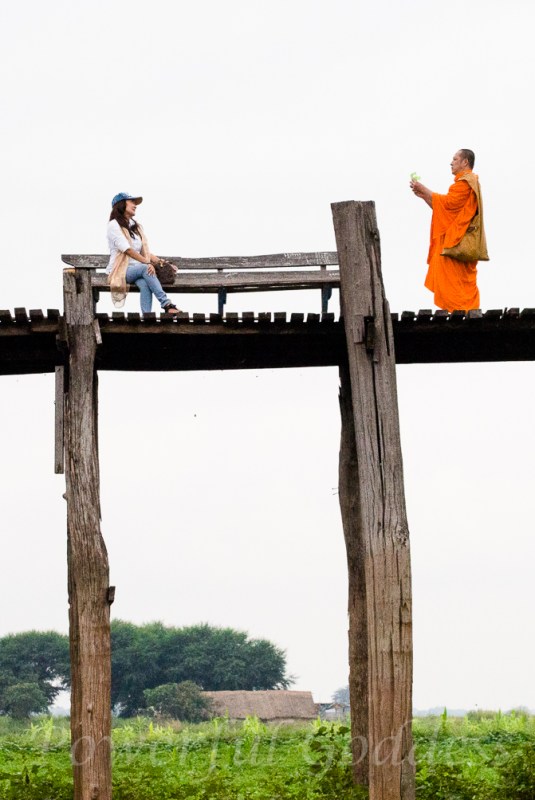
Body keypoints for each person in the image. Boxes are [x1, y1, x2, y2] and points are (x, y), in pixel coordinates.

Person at [410, 149, 485, 312]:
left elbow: (447, 205)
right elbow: (445, 211)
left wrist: (425, 190)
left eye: (455, 159)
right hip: (456, 242)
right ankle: (458, 310)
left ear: (465, 162)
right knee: (456, 282)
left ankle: (462, 311)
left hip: (457, 243)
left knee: (458, 284)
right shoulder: (462, 184)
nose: (451, 162)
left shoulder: (467, 183)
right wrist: (424, 196)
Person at [106, 192, 179, 314]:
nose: (135, 205)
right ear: (121, 204)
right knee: (146, 269)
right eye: (132, 202)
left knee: (145, 283)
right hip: (120, 271)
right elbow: (128, 250)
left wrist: (162, 263)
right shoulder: (114, 225)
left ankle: (147, 316)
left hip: (137, 269)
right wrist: (147, 263)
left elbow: (145, 253)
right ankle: (166, 304)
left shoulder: (135, 227)